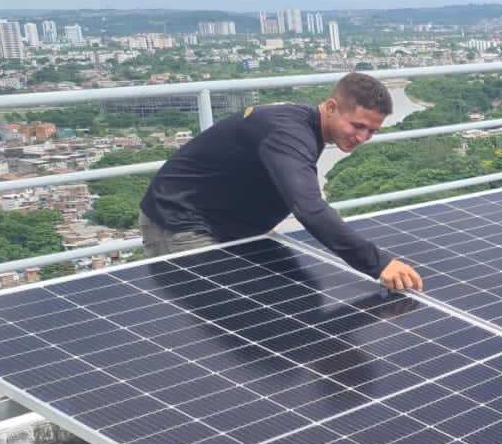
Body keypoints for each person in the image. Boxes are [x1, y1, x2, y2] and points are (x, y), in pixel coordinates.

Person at [137, 72, 423, 291]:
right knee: (229, 307)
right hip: (180, 222)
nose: (362, 138)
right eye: (357, 126)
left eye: (372, 131)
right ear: (332, 107)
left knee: (299, 292)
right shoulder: (290, 134)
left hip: (231, 223)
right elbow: (309, 208)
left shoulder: (307, 127)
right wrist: (379, 263)